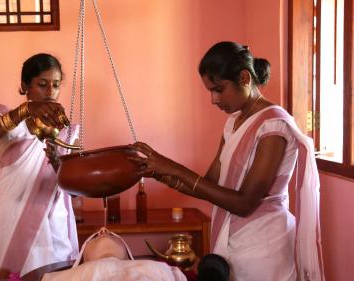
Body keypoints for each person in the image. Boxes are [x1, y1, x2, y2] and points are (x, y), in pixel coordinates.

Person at [128, 41, 325, 281]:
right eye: (210, 90)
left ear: (244, 78)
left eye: (219, 89)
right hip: (234, 247)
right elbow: (210, 184)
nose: (213, 99)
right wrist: (158, 171)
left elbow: (244, 203)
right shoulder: (233, 123)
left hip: (265, 249)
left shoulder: (273, 126)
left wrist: (172, 166)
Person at [0, 53, 80, 278]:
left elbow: (76, 189)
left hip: (55, 223)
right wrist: (24, 111)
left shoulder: (67, 131)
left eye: (56, 85)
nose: (50, 91)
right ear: (25, 86)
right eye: (42, 84)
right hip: (13, 219)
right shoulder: (8, 118)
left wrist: (59, 163)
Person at [42, 227, 187, 281]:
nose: (103, 230)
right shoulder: (60, 278)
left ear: (128, 256)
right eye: (95, 236)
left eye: (113, 235)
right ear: (82, 261)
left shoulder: (164, 270)